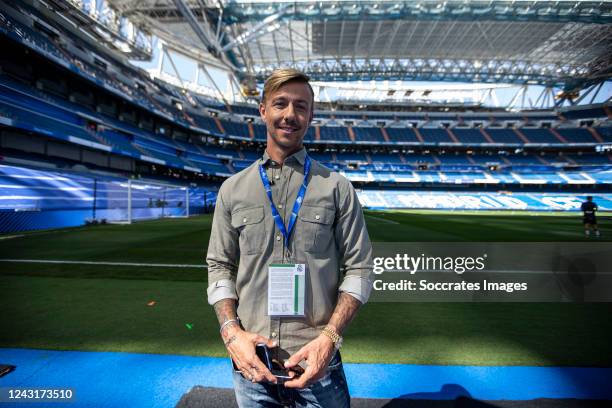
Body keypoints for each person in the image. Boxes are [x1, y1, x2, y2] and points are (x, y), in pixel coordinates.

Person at [206, 68, 373, 407]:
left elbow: (361, 269)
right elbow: (219, 266)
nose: (290, 114)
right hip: (252, 363)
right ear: (263, 110)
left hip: (318, 363)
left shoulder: (337, 188)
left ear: (311, 115)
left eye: (300, 106)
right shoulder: (232, 190)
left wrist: (330, 337)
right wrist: (230, 332)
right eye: (280, 103)